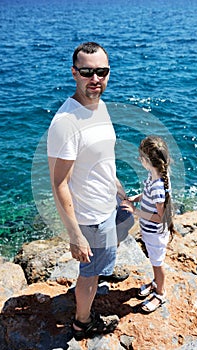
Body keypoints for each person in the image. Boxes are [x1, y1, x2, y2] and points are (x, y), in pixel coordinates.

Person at [47, 42, 128, 340]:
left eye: (102, 71)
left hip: (107, 206)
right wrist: (75, 235)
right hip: (90, 217)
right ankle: (83, 322)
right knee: (88, 274)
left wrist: (120, 193)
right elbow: (59, 184)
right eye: (87, 72)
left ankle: (102, 268)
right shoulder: (66, 123)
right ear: (74, 73)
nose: (95, 79)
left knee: (104, 256)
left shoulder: (100, 106)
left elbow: (104, 160)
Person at [121, 135, 176, 313]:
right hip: (150, 232)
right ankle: (155, 282)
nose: (139, 160)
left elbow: (160, 217)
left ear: (148, 161)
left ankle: (160, 293)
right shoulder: (155, 175)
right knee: (154, 261)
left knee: (157, 263)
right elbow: (147, 194)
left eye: (141, 157)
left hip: (156, 233)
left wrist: (135, 212)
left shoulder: (159, 186)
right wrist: (136, 199)